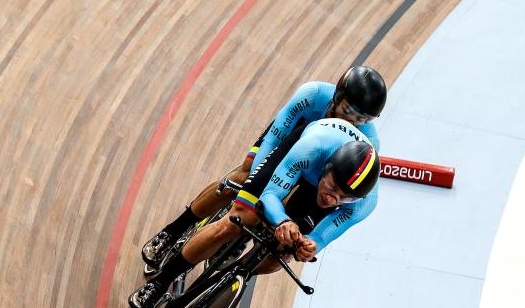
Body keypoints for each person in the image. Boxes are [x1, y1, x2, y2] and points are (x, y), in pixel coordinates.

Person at [129, 117, 381, 308]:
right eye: (332, 187)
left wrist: (309, 245)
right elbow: (271, 194)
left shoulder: (363, 203)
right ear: (328, 169)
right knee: (236, 221)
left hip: (316, 188)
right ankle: (161, 283)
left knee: (280, 257)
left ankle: (228, 279)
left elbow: (322, 236)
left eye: (343, 198)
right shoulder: (313, 148)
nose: (332, 199)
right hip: (300, 166)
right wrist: (282, 221)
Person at [141, 66, 387, 274]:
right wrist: (256, 177)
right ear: (337, 95)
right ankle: (174, 230)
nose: (353, 121)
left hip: (322, 169)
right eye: (348, 110)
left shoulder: (367, 143)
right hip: (292, 136)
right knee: (246, 174)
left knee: (287, 243)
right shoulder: (313, 95)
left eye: (363, 119)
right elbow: (275, 136)